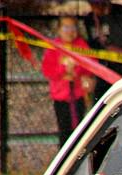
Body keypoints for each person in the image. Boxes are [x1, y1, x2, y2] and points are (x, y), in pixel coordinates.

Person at [41, 16, 93, 146]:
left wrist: (76, 70)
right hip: (61, 97)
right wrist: (63, 69)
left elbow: (90, 65)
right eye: (66, 28)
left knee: (79, 128)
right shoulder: (54, 47)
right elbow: (48, 70)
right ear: (59, 30)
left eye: (73, 27)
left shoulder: (81, 45)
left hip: (78, 95)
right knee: (64, 130)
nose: (70, 31)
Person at [84, 0, 122, 102]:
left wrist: (108, 15)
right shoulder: (90, 19)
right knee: (101, 100)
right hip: (103, 69)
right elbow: (92, 45)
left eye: (98, 3)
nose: (95, 7)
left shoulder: (121, 12)